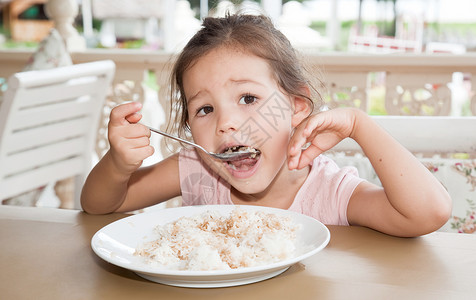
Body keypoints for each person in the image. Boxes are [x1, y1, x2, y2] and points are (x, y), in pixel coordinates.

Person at [81, 14, 451, 237]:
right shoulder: (197, 170)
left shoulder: (328, 192)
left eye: (248, 99)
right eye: (205, 109)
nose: (226, 123)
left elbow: (428, 212)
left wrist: (360, 123)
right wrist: (117, 164)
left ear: (296, 107)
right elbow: (98, 206)